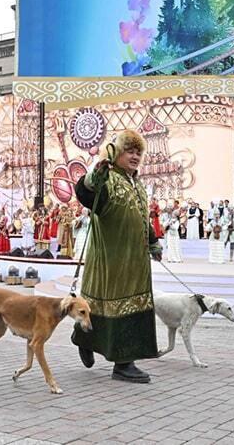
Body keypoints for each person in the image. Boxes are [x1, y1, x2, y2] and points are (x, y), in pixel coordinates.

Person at [72, 129, 161, 383]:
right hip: (111, 260)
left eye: (138, 152)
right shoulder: (108, 179)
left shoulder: (137, 184)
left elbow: (141, 217)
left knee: (130, 305)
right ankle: (123, 364)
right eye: (129, 151)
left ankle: (84, 338)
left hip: (136, 261)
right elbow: (86, 193)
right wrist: (94, 176)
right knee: (119, 305)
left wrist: (153, 242)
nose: (135, 156)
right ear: (117, 153)